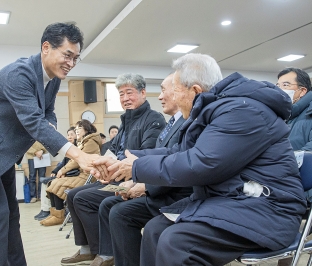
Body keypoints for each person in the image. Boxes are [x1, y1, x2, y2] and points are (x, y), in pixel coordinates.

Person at [92, 53, 306, 266]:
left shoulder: (242, 111)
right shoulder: (219, 110)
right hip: (234, 200)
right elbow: (178, 152)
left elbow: (202, 163)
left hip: (269, 209)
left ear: (195, 90)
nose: (172, 98)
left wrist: (137, 167)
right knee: (156, 229)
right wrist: (123, 160)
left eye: (175, 90)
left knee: (177, 242)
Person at [0, 23, 98, 266]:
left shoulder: (52, 79)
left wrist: (50, 124)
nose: (71, 63)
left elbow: (46, 113)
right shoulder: (19, 73)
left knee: (11, 215)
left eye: (75, 58)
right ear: (46, 47)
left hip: (5, 151)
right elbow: (32, 120)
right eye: (67, 55)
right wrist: (79, 155)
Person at [61, 73, 165, 266]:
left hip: (132, 180)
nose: (125, 98)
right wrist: (103, 168)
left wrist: (116, 168)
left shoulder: (154, 120)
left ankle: (106, 252)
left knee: (84, 199)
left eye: (129, 92)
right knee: (73, 195)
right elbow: (113, 150)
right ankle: (87, 249)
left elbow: (146, 156)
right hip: (115, 177)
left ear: (143, 93)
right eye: (121, 94)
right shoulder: (125, 121)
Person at [94, 73, 192, 266]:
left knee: (119, 212)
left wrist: (144, 185)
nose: (160, 96)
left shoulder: (175, 121)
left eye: (164, 90)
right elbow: (162, 152)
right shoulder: (171, 122)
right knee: (111, 207)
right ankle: (107, 254)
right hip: (156, 184)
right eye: (120, 95)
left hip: (176, 194)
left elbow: (178, 162)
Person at [276, 68, 312, 266]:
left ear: (302, 91)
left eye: (286, 85)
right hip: (286, 182)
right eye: (278, 85)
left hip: (302, 186)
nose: (281, 89)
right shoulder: (285, 115)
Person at [41, 119, 102, 226]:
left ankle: (59, 216)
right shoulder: (83, 142)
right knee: (53, 183)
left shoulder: (91, 142)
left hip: (88, 176)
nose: (77, 130)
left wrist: (62, 170)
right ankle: (55, 214)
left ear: (86, 129)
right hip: (81, 175)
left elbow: (76, 161)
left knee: (57, 183)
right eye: (76, 128)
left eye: (79, 128)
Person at [34, 126, 77, 221]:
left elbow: (75, 165)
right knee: (45, 182)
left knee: (51, 183)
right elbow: (62, 163)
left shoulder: (78, 149)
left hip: (72, 176)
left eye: (72, 135)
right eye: (68, 135)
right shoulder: (69, 149)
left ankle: (51, 212)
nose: (69, 137)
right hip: (65, 174)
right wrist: (55, 171)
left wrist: (64, 172)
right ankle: (46, 210)